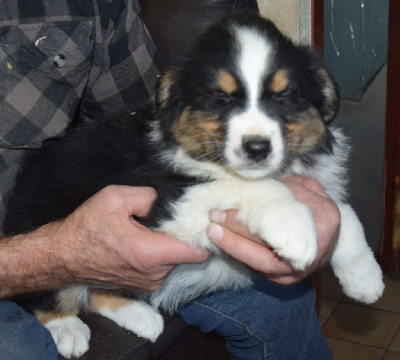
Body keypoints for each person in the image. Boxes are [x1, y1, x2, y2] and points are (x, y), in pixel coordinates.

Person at [0, 0, 338, 359]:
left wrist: (280, 194)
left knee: (284, 301)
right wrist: (53, 257)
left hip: (66, 201)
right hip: (28, 233)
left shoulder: (93, 6)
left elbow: (152, 127)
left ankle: (104, 296)